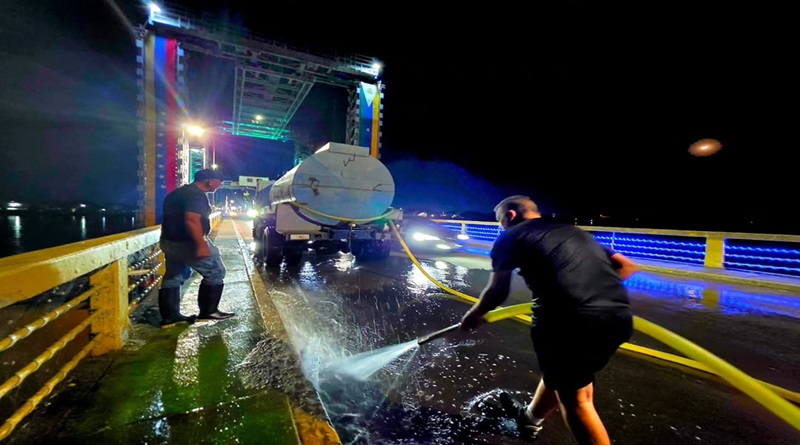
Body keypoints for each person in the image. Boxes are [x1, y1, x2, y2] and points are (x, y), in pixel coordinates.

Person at [460, 195, 634, 445]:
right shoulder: (571, 231)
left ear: (510, 215)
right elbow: (625, 265)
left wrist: (473, 315)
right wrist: (594, 293)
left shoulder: (511, 235)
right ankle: (529, 420)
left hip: (568, 323)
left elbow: (498, 291)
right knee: (564, 375)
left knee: (578, 401)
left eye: (500, 220)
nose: (501, 226)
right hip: (618, 317)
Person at [157, 168, 235, 328]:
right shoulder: (196, 195)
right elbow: (192, 220)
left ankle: (170, 317)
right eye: (219, 182)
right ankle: (209, 311)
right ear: (210, 181)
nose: (220, 185)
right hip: (188, 243)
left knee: (174, 275)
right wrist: (201, 244)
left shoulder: (178, 193)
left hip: (170, 241)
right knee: (216, 271)